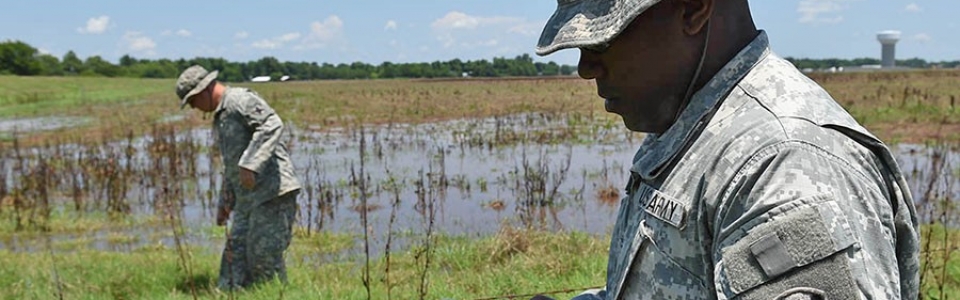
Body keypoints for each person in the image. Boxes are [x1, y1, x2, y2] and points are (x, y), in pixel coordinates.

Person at [534, 0, 919, 299]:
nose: (586, 68)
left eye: (603, 38)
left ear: (694, 7)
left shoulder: (784, 164)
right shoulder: (693, 127)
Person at [175, 65, 302, 290]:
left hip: (272, 192)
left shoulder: (239, 101)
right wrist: (226, 202)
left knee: (264, 258)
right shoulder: (221, 116)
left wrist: (251, 164)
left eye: (193, 101)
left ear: (204, 90)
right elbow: (233, 164)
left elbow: (271, 123)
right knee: (234, 259)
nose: (194, 107)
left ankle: (273, 295)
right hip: (247, 199)